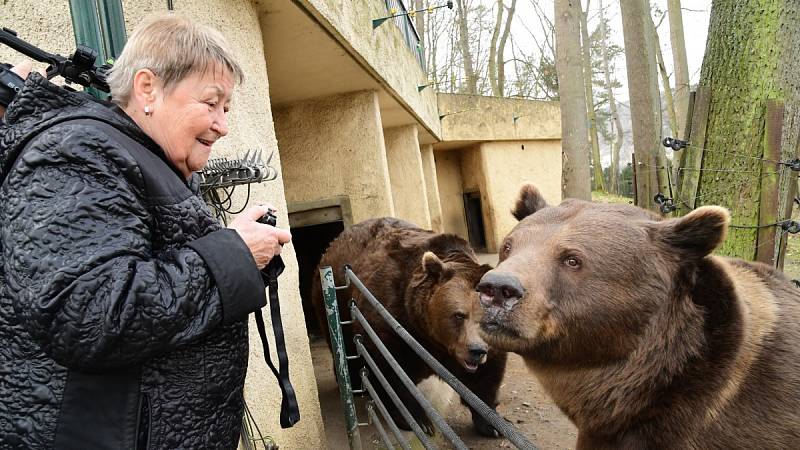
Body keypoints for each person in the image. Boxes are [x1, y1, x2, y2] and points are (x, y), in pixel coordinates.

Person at [0, 14, 291, 450]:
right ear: (147, 88)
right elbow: (90, 313)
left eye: (226, 109)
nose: (223, 124)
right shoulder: (77, 151)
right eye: (211, 103)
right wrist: (235, 255)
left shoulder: (138, 158)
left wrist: (239, 246)